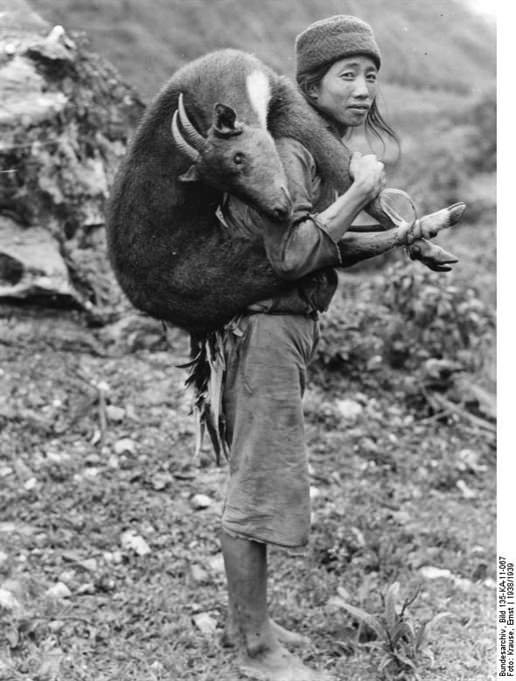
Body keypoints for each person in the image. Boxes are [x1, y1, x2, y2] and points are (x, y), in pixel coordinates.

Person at [215, 15, 462, 681]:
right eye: (346, 74)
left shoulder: (318, 148)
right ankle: (255, 649)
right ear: (312, 87)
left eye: (371, 75)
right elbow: (294, 252)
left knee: (262, 472)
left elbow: (331, 243)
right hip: (264, 328)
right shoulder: (292, 152)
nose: (362, 88)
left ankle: (254, 621)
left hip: (284, 329)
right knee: (259, 481)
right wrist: (360, 188)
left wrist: (404, 235)